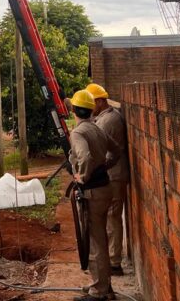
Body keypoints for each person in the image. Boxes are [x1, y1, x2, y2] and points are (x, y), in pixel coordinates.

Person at [68, 90, 120, 301]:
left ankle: (99, 291)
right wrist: (105, 165)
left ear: (74, 110)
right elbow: (116, 149)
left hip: (93, 192)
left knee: (96, 242)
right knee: (100, 240)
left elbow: (85, 156)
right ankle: (103, 286)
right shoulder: (97, 127)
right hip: (105, 188)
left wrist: (83, 176)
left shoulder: (79, 133)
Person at [87, 83, 129, 277]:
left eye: (92, 102)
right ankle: (111, 259)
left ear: (101, 101)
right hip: (111, 174)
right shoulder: (104, 118)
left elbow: (104, 152)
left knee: (112, 218)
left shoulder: (108, 121)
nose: (90, 106)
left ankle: (114, 262)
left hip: (113, 175)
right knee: (110, 218)